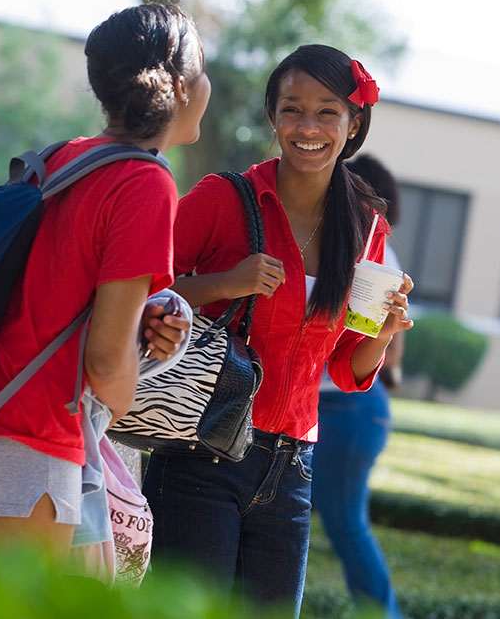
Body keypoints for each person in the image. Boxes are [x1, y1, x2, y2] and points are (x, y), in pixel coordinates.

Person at [0, 3, 208, 559]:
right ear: (179, 85)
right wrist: (131, 377)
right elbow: (106, 368)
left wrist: (139, 331)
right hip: (26, 449)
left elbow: (49, 296)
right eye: (202, 72)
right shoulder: (145, 182)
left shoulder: (60, 159)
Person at [142, 44, 414, 616]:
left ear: (353, 121)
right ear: (273, 116)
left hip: (292, 468)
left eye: (326, 112)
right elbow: (134, 289)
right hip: (202, 452)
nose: (307, 127)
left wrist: (384, 334)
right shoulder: (224, 198)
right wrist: (224, 283)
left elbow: (345, 365)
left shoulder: (367, 230)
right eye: (292, 109)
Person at [311, 153, 404, 619]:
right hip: (354, 408)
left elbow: (385, 335)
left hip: (346, 409)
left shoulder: (371, 244)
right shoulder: (367, 242)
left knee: (345, 524)